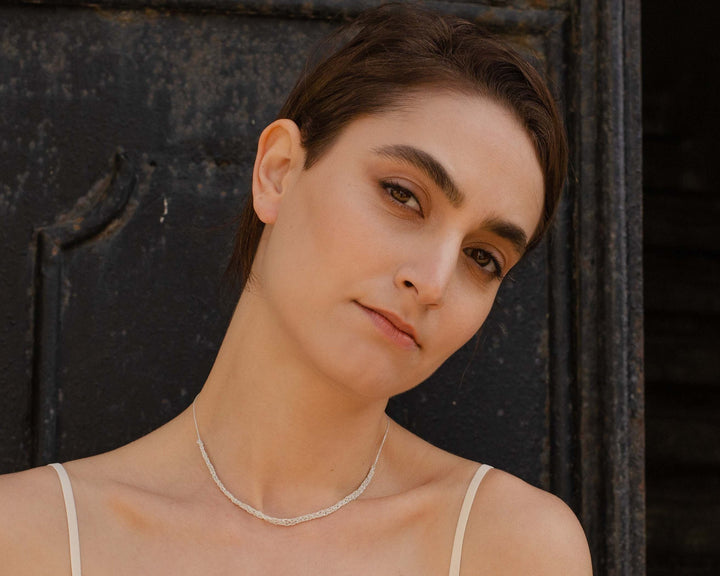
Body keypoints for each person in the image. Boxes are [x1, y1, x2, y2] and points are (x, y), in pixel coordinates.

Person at [0, 4, 592, 575]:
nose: (433, 282)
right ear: (278, 171)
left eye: (482, 258)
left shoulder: (510, 548)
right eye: (403, 195)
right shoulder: (27, 536)